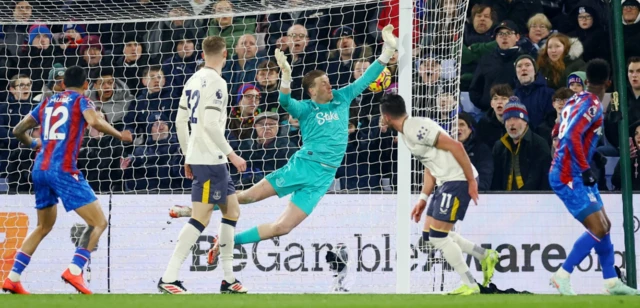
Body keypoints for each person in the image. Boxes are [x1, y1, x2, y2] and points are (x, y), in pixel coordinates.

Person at [205, 25, 399, 264]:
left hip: (323, 177)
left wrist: (387, 51)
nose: (330, 85)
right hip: (304, 166)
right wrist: (285, 75)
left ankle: (225, 242)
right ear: (312, 90)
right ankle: (197, 209)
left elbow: (368, 77)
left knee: (282, 228)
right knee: (246, 197)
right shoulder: (305, 108)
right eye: (324, 83)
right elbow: (284, 100)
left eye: (329, 81)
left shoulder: (342, 97)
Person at [1, 66, 133, 295]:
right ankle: (75, 269)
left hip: (39, 169)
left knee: (43, 226)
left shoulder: (47, 102)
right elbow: (95, 122)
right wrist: (119, 134)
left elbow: (17, 129)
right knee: (99, 222)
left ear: (62, 84)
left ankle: (12, 277)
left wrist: (33, 144)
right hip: (63, 169)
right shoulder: (82, 101)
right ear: (86, 85)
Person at [378, 93, 498, 295]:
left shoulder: (416, 128)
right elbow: (429, 165)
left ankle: (470, 284)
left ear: (386, 117)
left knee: (438, 236)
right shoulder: (406, 132)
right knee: (429, 235)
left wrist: (470, 180)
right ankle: (485, 255)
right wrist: (423, 199)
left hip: (458, 180)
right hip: (445, 181)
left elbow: (456, 146)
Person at [157, 36, 248, 295]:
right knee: (201, 218)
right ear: (226, 54)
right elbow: (209, 124)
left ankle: (229, 279)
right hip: (211, 159)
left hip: (203, 157)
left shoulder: (193, 79)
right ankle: (169, 276)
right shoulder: (218, 82)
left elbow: (178, 121)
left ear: (203, 53)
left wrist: (187, 154)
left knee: (232, 212)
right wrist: (232, 155)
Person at [549, 59, 639, 295]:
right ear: (608, 82)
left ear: (586, 81)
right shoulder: (593, 105)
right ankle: (562, 274)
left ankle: (611, 281)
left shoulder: (573, 99)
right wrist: (584, 168)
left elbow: (557, 130)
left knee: (605, 226)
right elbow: (571, 136)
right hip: (570, 173)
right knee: (597, 228)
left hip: (572, 169)